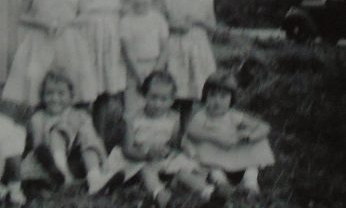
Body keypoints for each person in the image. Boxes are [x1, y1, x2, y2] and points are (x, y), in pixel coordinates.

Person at [2, 0, 97, 113]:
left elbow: (85, 16)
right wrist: (42, 23)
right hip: (40, 41)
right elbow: (20, 16)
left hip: (68, 41)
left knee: (71, 81)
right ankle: (38, 122)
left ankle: (71, 121)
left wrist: (67, 22)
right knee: (37, 80)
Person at [106, 71, 220, 208]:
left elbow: (175, 144)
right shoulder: (133, 119)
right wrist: (146, 155)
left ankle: (209, 192)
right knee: (146, 170)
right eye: (153, 98)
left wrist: (179, 148)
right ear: (144, 96)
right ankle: (161, 195)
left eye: (164, 99)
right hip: (139, 159)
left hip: (162, 160)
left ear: (172, 100)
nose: (158, 104)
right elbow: (127, 150)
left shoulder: (173, 118)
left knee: (183, 171)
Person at [23, 69, 123, 194]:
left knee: (87, 137)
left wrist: (104, 161)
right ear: (42, 96)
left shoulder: (79, 115)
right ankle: (62, 175)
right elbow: (38, 147)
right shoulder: (39, 118)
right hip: (48, 164)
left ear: (71, 96)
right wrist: (51, 166)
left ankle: (95, 179)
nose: (55, 98)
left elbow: (94, 139)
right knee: (57, 132)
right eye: (49, 93)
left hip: (76, 161)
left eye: (61, 93)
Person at [73, 0, 126, 150]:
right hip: (85, 29)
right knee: (85, 88)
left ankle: (101, 140)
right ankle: (83, 142)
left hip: (111, 30)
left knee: (106, 90)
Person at [183, 71, 275, 196]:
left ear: (231, 98)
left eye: (223, 96)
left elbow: (264, 127)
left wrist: (248, 137)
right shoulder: (202, 115)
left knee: (254, 157)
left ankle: (250, 183)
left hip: (231, 153)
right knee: (212, 166)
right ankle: (221, 183)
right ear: (206, 96)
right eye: (213, 95)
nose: (217, 101)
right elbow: (191, 130)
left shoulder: (233, 115)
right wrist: (214, 137)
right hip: (212, 155)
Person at [160, 0, 217, 131]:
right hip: (175, 47)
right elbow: (158, 23)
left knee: (191, 95)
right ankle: (165, 131)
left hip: (197, 48)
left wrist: (199, 21)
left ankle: (185, 134)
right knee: (171, 92)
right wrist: (174, 26)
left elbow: (213, 26)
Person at [119, 0, 169, 119]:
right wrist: (139, 75)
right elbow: (127, 51)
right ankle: (133, 139)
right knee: (133, 107)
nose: (139, 0)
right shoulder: (126, 21)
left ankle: (155, 135)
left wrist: (157, 71)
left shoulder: (158, 19)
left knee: (155, 104)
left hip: (155, 65)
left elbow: (165, 48)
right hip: (134, 69)